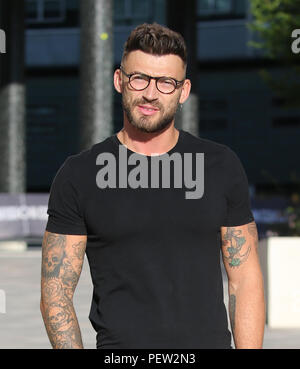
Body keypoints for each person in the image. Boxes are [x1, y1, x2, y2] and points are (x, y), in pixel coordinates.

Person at [40, 23, 265, 349]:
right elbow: (56, 292)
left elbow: (244, 280)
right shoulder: (80, 174)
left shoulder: (220, 165)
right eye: (139, 78)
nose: (150, 93)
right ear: (120, 80)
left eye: (165, 83)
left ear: (183, 91)